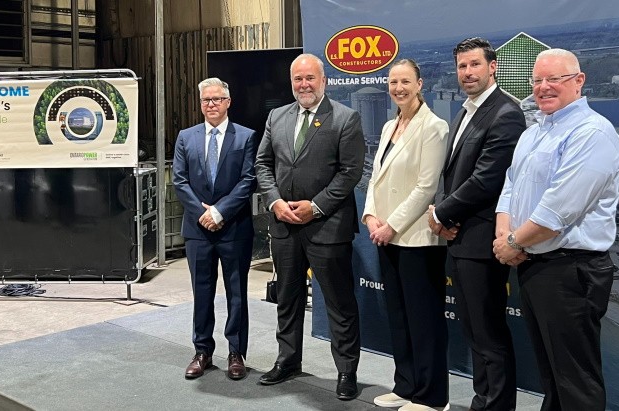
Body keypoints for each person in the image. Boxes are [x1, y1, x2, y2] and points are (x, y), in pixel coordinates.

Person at [493, 49, 619, 411]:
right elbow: (510, 186)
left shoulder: (592, 133)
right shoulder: (534, 132)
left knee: (575, 381)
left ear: (579, 81)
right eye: (537, 80)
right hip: (534, 265)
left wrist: (513, 242)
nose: (543, 87)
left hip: (571, 270)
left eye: (554, 79)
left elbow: (558, 210)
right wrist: (505, 235)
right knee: (551, 375)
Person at [255, 53, 365, 400]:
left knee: (339, 303)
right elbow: (263, 164)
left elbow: (350, 172)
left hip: (327, 227)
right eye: (298, 79)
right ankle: (288, 361)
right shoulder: (276, 116)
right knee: (287, 299)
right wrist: (275, 201)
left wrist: (315, 207)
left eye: (310, 78)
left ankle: (346, 371)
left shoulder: (345, 118)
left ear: (324, 81)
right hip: (284, 226)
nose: (304, 85)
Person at [428, 37, 526, 411]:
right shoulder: (466, 111)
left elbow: (486, 180)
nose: (467, 72)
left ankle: (497, 405)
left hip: (483, 242)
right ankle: (482, 401)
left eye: (474, 65)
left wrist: (440, 214)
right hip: (460, 238)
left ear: (492, 67)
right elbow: (451, 174)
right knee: (474, 332)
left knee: (489, 335)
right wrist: (443, 215)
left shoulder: (506, 113)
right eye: (462, 66)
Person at [363, 59, 450, 411]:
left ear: (419, 84)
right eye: (393, 82)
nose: (398, 88)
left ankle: (432, 397)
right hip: (386, 236)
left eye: (405, 82)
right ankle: (406, 385)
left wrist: (391, 225)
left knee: (424, 318)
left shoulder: (434, 127)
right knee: (398, 316)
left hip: (417, 239)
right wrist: (371, 216)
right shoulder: (389, 126)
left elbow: (426, 187)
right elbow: (375, 176)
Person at [172, 77, 257, 381]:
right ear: (201, 104)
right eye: (206, 100)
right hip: (198, 231)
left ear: (228, 102)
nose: (211, 104)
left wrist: (220, 212)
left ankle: (236, 353)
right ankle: (202, 351)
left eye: (217, 99)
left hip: (234, 228)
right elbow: (179, 180)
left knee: (237, 294)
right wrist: (204, 214)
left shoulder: (246, 137)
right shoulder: (186, 137)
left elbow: (248, 180)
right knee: (202, 293)